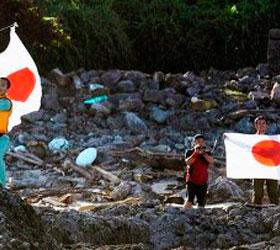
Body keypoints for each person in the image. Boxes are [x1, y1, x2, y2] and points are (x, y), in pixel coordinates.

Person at [252, 115, 279, 205]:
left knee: (273, 192)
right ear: (255, 126)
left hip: (271, 168)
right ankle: (255, 211)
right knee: (258, 193)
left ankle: (276, 212)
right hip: (257, 169)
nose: (262, 125)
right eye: (259, 124)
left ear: (266, 125)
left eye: (263, 123)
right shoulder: (250, 139)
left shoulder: (273, 139)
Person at [183, 134, 214, 209]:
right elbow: (188, 162)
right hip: (191, 180)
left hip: (203, 181)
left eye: (202, 141)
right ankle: (183, 214)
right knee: (189, 200)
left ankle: (200, 218)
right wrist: (196, 153)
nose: (200, 143)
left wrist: (203, 153)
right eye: (198, 141)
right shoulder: (189, 152)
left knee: (201, 203)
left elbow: (211, 161)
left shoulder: (207, 153)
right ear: (194, 142)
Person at [0, 77, 12, 187]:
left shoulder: (6, 103)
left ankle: (2, 183)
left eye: (3, 85)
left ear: (7, 88)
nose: (0, 87)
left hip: (1, 138)